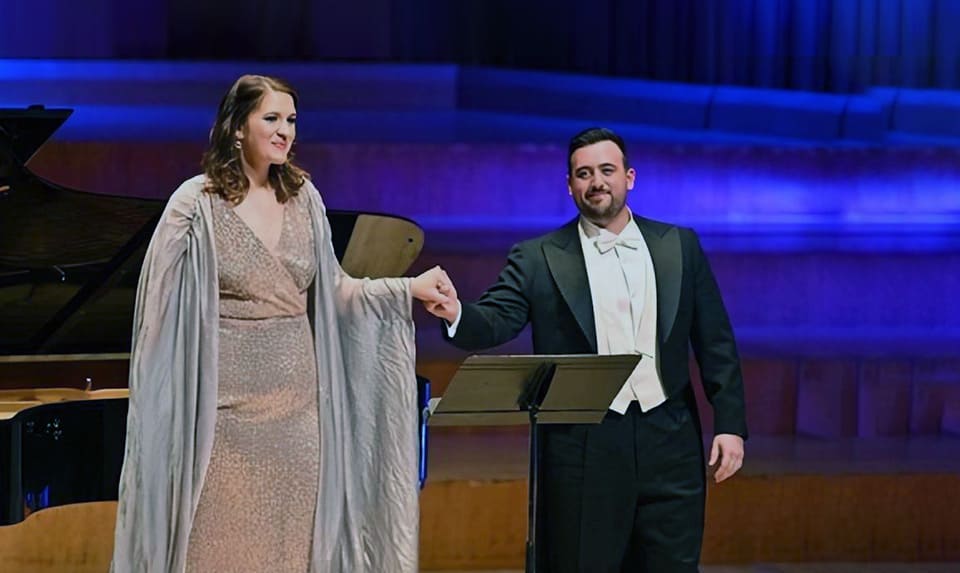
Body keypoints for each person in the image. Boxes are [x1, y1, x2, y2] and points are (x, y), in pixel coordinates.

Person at [110, 74, 450, 573]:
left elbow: (334, 291)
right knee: (218, 551)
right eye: (271, 118)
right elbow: (156, 318)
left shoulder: (304, 197)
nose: (285, 130)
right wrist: (161, 412)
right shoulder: (195, 204)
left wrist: (406, 289)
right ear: (237, 127)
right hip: (221, 416)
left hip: (296, 414)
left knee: (289, 551)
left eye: (291, 120)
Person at [425, 127, 748, 572]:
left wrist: (730, 424)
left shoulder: (680, 245)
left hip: (670, 440)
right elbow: (497, 318)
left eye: (607, 170)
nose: (596, 181)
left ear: (629, 177)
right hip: (584, 445)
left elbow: (715, 340)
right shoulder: (539, 256)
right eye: (584, 173)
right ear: (570, 185)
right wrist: (455, 311)